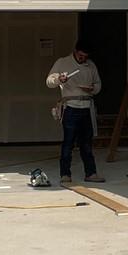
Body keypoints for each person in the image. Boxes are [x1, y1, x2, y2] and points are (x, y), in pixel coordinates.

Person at [46, 42, 105, 183]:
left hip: (86, 106)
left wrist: (92, 89)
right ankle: (65, 174)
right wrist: (59, 79)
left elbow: (98, 85)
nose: (82, 59)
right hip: (70, 107)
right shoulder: (63, 62)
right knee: (68, 143)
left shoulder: (90, 65)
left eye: (85, 57)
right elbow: (49, 81)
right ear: (75, 51)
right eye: (80, 56)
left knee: (87, 143)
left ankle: (91, 173)